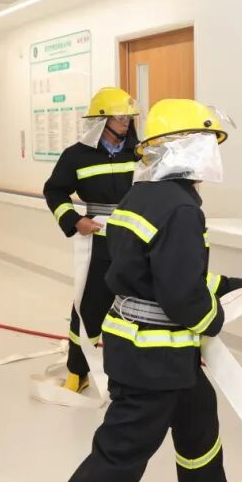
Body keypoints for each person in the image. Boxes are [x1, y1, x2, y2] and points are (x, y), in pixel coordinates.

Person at [33, 99, 242, 482]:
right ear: (183, 149)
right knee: (117, 458)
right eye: (208, 142)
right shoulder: (180, 208)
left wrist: (233, 285)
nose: (213, 153)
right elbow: (180, 296)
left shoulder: (141, 196)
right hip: (153, 358)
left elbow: (159, 273)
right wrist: (216, 318)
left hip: (141, 346)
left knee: (197, 406)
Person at [43, 87, 140, 393]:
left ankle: (132, 372)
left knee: (138, 306)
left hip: (137, 241)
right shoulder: (76, 156)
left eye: (129, 117)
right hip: (100, 243)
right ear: (102, 120)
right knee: (89, 308)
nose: (126, 122)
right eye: (120, 116)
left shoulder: (141, 153)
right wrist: (74, 221)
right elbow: (54, 191)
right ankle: (78, 372)